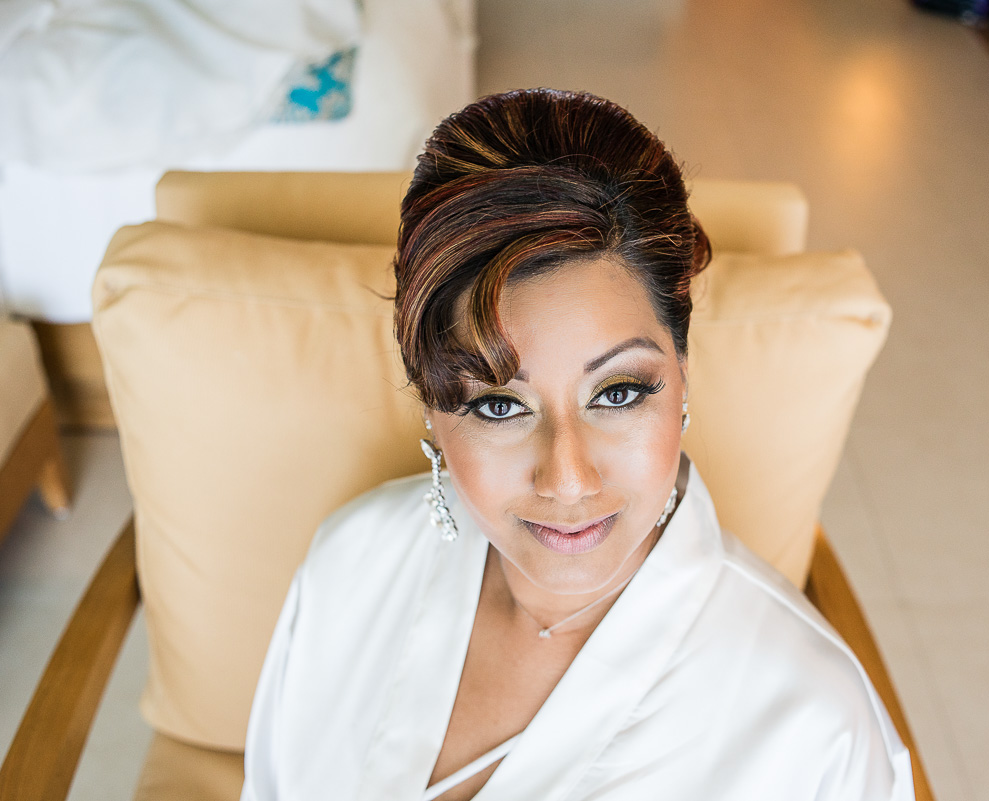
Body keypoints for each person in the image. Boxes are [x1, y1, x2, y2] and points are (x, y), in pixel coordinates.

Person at [239, 88, 916, 801]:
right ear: (432, 409)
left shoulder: (813, 731)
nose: (568, 480)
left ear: (682, 373)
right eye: (499, 404)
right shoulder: (350, 563)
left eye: (617, 393)